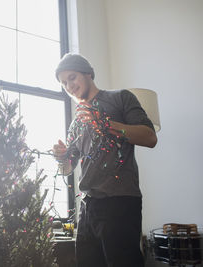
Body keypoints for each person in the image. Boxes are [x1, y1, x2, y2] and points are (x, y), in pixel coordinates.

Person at [52, 53, 157, 267]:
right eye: (64, 83)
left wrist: (106, 124)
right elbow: (67, 168)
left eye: (72, 77)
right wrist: (61, 157)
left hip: (120, 202)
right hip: (87, 208)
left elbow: (150, 137)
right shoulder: (76, 122)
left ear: (88, 73)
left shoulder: (121, 98)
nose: (69, 86)